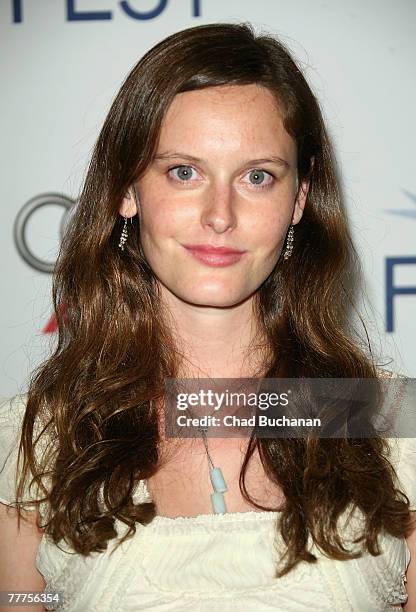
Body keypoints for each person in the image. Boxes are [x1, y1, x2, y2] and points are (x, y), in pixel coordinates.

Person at [0, 21, 415, 612]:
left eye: (257, 177)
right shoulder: (36, 437)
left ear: (298, 200)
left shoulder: (393, 422)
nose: (220, 215)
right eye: (184, 172)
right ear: (127, 190)